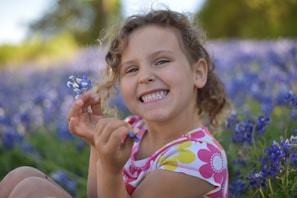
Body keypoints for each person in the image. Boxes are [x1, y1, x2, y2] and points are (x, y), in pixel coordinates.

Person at [0, 9, 231, 198]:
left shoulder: (201, 157)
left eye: (161, 61)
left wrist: (111, 170)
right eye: (132, 69)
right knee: (20, 176)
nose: (145, 76)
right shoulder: (134, 130)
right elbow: (96, 195)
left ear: (198, 73)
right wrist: (96, 145)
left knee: (32, 190)